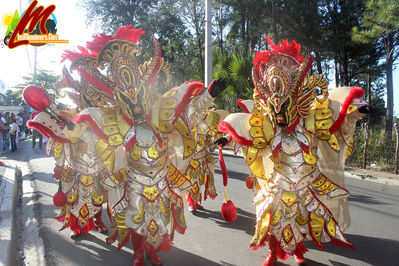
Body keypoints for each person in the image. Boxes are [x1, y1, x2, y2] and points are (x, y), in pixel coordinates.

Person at [26, 25, 225, 266]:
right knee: (137, 218)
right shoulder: (111, 120)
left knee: (160, 218)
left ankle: (153, 251)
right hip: (134, 178)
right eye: (125, 91)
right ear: (117, 94)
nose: (134, 97)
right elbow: (94, 138)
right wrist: (75, 131)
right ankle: (139, 253)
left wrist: (208, 97)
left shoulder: (161, 111)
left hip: (162, 177)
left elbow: (188, 113)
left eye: (137, 92)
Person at [216, 37, 369, 266]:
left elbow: (338, 111)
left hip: (307, 180)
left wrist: (357, 109)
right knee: (271, 217)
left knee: (303, 218)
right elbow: (249, 128)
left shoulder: (313, 114)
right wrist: (228, 138)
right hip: (278, 180)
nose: (279, 106)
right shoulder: (267, 119)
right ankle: (273, 252)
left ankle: (299, 250)